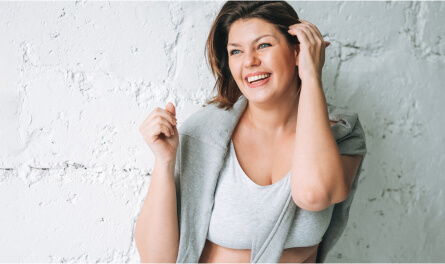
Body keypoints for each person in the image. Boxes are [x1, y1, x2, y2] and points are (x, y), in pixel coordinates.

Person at [135, 1, 367, 263]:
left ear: (297, 52)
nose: (249, 61)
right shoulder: (204, 135)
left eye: (264, 45)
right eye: (236, 51)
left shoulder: (342, 133)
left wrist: (312, 76)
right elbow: (156, 259)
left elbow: (314, 194)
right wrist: (164, 162)